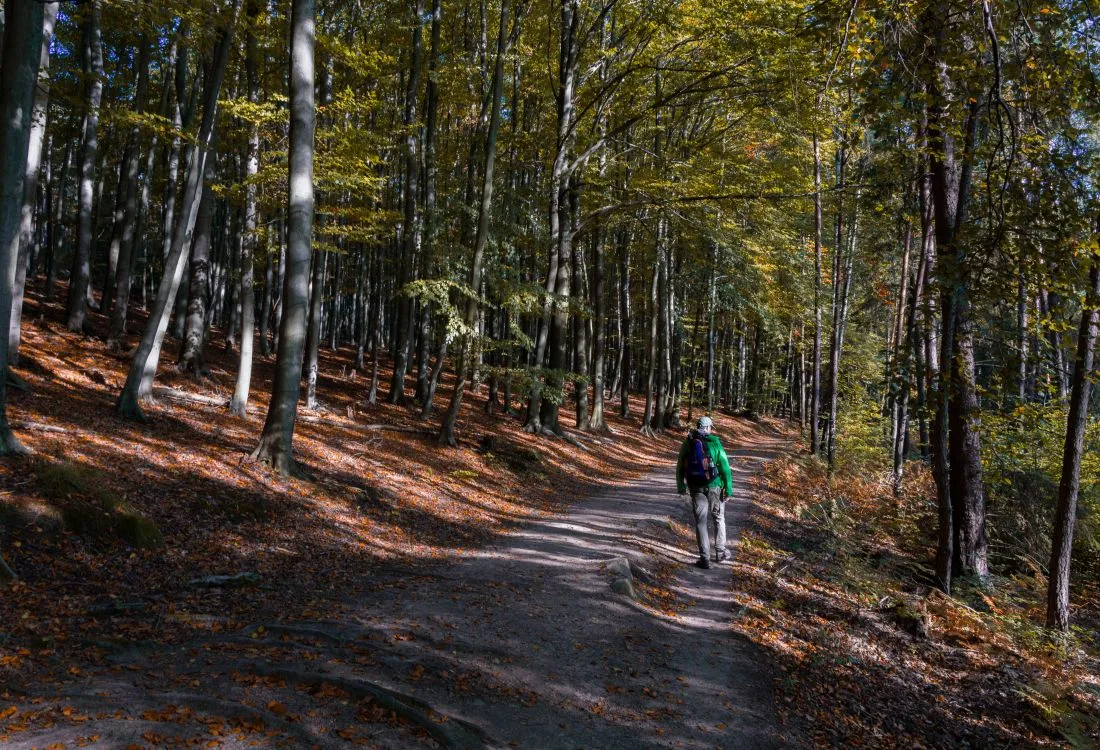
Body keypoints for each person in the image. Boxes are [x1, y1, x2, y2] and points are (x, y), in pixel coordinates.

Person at [676, 416, 734, 569]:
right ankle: (720, 553)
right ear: (708, 428)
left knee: (701, 522)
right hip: (715, 487)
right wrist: (728, 489)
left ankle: (704, 558)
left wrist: (681, 486)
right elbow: (725, 467)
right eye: (711, 427)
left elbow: (680, 465)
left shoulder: (688, 442)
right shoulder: (714, 442)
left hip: (696, 488)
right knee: (718, 518)